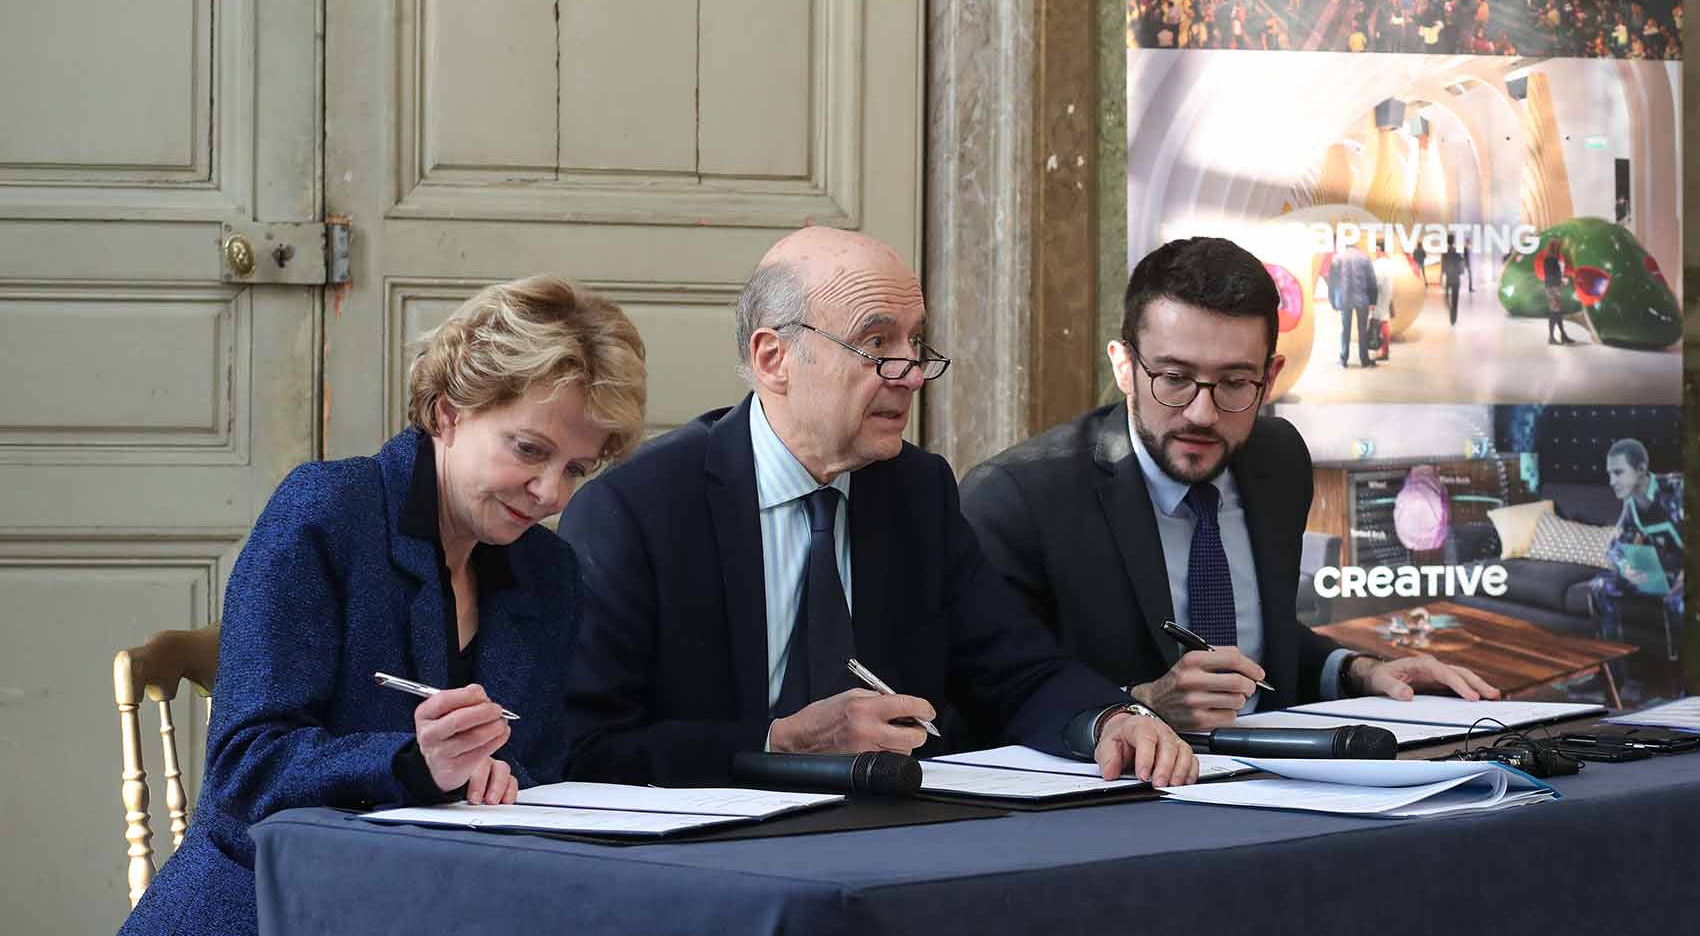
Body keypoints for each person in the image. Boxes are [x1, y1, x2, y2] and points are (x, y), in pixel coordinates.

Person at [560, 228, 1196, 788]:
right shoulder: (638, 510)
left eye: (916, 343)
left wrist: (1111, 719)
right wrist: (779, 743)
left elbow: (1015, 671)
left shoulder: (916, 491)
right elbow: (585, 747)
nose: (911, 373)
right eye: (875, 343)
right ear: (772, 358)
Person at [119, 277, 649, 936]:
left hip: (439, 908)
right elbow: (244, 777)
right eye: (530, 450)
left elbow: (535, 766)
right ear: (448, 411)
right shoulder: (326, 513)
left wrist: (503, 778)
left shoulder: (547, 571)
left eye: (576, 468)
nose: (551, 493)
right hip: (266, 907)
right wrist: (410, 763)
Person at [960, 238, 1496, 732]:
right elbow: (992, 694)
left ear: (1272, 376)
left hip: (1285, 782)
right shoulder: (1019, 497)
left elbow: (1259, 644)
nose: (1203, 412)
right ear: (1124, 366)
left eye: (1236, 383)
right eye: (1173, 378)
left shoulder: (1276, 458)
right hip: (1113, 805)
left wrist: (1360, 671)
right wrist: (1140, 703)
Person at [1587, 438, 1685, 692]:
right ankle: (1612, 677)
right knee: (1600, 586)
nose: (1612, 481)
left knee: (1680, 601)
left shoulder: (1679, 488)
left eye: (1618, 473)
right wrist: (1627, 569)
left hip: (1698, 576)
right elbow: (1614, 549)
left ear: (1641, 469)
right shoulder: (1631, 504)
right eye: (1610, 474)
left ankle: (1682, 686)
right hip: (1663, 575)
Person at [1329, 242, 1378, 368]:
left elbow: (1332, 282)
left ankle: (1344, 359)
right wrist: (1373, 301)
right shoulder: (1364, 257)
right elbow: (1372, 280)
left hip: (1344, 298)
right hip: (1362, 298)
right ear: (1356, 247)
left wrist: (1333, 300)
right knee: (1362, 329)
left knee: (1345, 329)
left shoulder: (1337, 258)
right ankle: (1364, 360)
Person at [1370, 238, 1397, 361]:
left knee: (1381, 322)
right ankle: (1384, 350)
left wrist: (1371, 300)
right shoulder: (1390, 263)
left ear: (1378, 249)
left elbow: (1376, 282)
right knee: (1384, 320)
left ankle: (1383, 351)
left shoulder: (1379, 264)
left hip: (1379, 296)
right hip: (1387, 294)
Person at [1542, 240, 1573, 344]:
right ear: (1555, 248)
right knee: (1555, 313)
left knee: (1557, 313)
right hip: (1553, 288)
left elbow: (1550, 275)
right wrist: (1562, 281)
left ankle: (1563, 335)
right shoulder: (1551, 259)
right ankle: (1551, 338)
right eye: (1558, 248)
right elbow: (1552, 276)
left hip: (1552, 287)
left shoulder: (1549, 258)